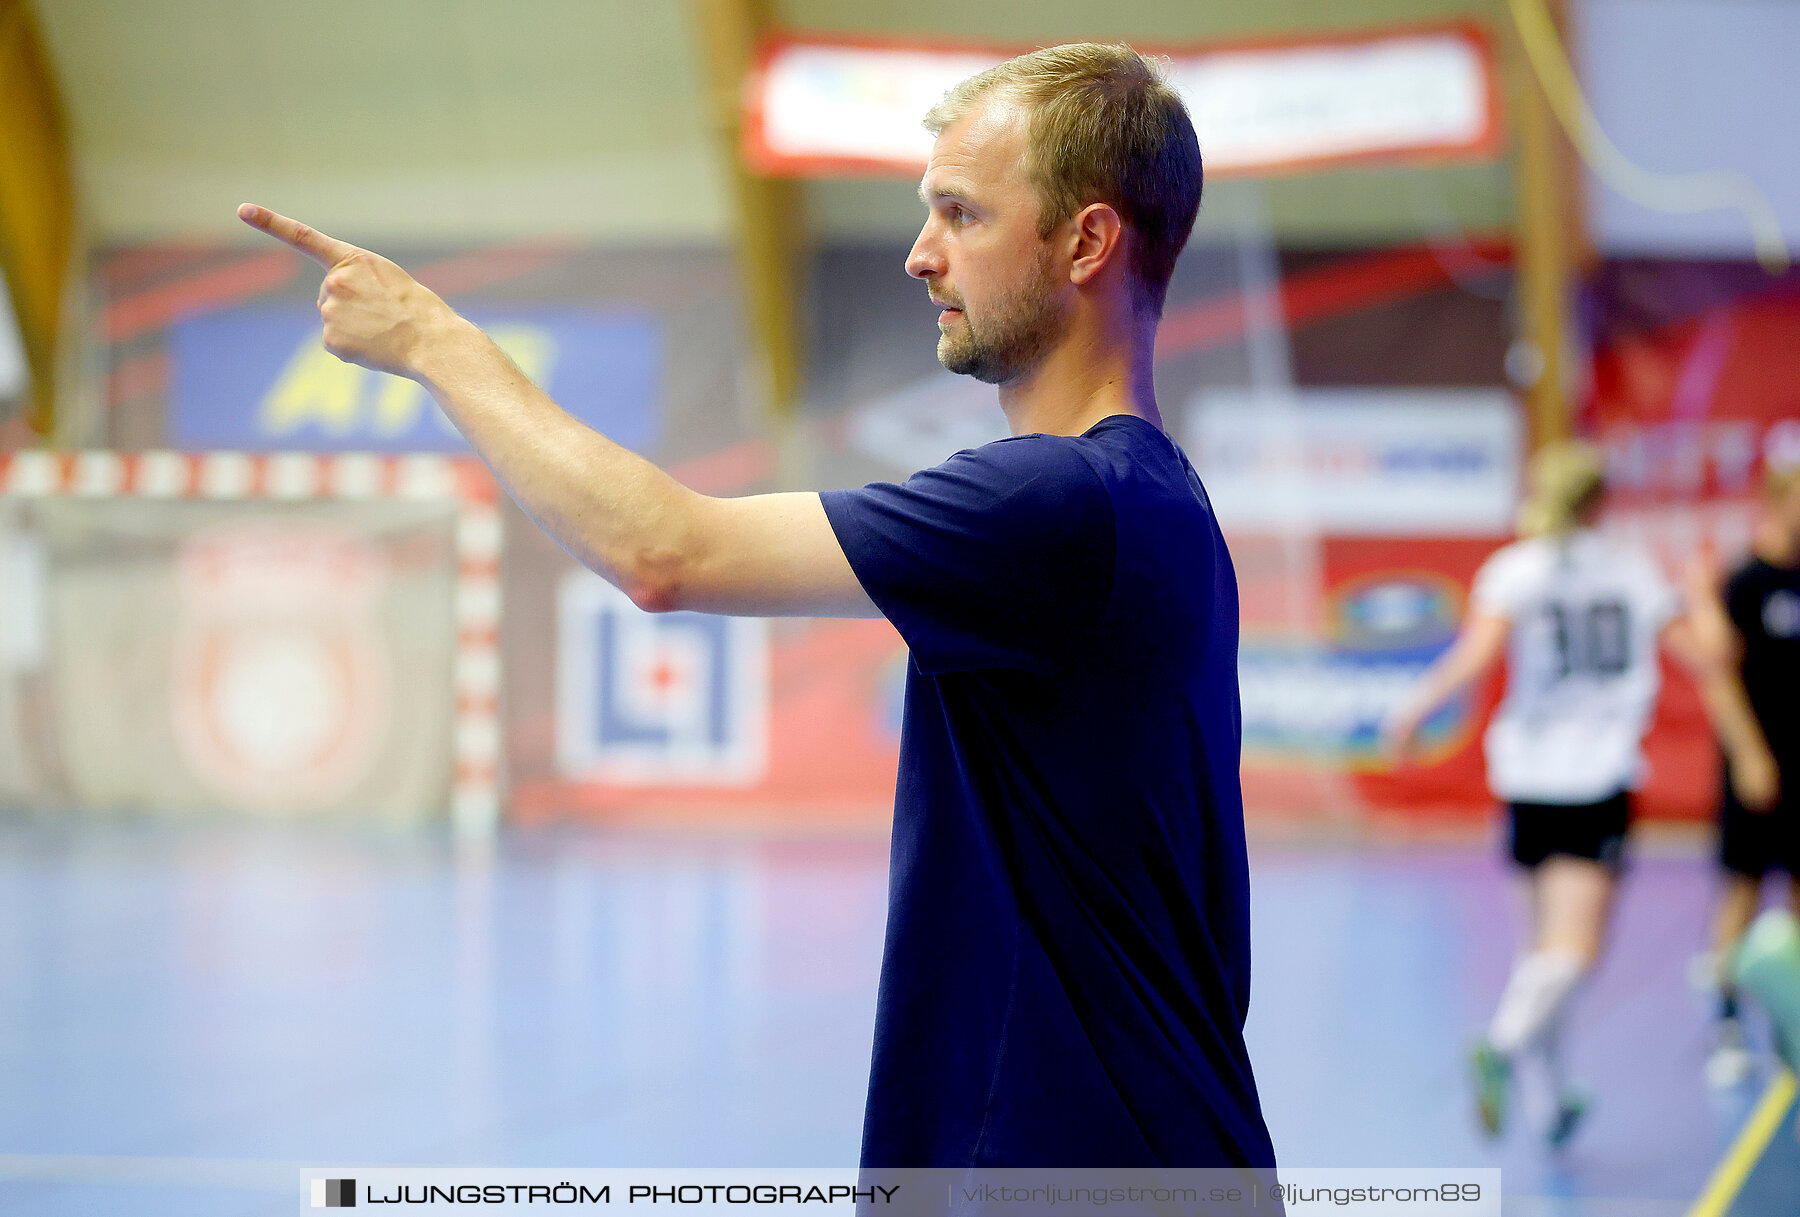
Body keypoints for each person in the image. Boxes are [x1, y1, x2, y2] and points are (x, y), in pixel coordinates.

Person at [239, 43, 1277, 1170]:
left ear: (1084, 241)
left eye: (962, 214)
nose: (922, 255)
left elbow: (664, 551)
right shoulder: (1151, 498)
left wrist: (434, 342)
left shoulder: (1061, 502)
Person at [1382, 440, 1769, 1149]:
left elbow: (1475, 656)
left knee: (1540, 951)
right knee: (1574, 951)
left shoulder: (1515, 570)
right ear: (1601, 501)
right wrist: (1706, 596)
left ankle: (1550, 1101)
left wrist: (1413, 707)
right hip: (1595, 776)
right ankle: (1500, 1046)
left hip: (1525, 774)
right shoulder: (1632, 571)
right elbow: (1710, 656)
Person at [1689, 461, 1800, 1086]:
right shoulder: (1745, 580)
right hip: (1757, 762)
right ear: (1779, 501)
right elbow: (1720, 676)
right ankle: (1726, 1019)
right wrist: (1751, 753)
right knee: (1743, 890)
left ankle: (1791, 1025)